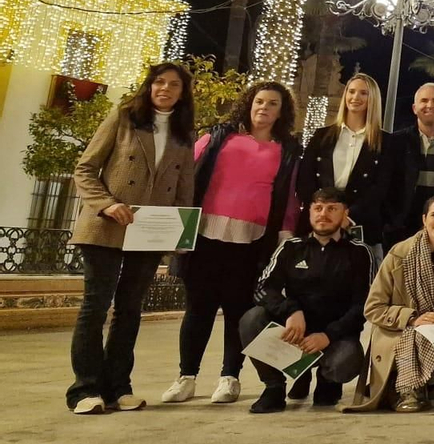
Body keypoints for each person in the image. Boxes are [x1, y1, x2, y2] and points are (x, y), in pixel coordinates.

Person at [66, 63, 197, 415]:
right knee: (95, 307)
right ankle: (85, 389)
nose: (165, 88)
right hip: (105, 227)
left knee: (130, 310)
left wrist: (180, 234)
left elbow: (185, 191)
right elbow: (85, 168)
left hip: (149, 234)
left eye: (173, 85)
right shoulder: (123, 117)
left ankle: (119, 387)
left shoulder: (184, 133)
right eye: (159, 82)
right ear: (149, 86)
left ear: (183, 93)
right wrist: (107, 205)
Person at [160, 82, 298, 407]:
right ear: (249, 104)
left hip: (251, 242)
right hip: (205, 236)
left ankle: (229, 377)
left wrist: (286, 237)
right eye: (259, 101)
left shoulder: (287, 150)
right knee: (198, 309)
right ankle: (186, 377)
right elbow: (184, 176)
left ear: (282, 111)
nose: (264, 108)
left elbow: (290, 198)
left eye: (273, 104)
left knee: (238, 312)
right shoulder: (219, 137)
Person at [240, 188, 369, 412]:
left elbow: (363, 306)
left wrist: (328, 335)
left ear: (345, 213)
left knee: (345, 363)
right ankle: (274, 387)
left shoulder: (359, 253)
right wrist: (290, 311)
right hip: (294, 334)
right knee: (251, 320)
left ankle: (326, 381)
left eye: (332, 209)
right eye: (317, 208)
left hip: (333, 338)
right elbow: (262, 288)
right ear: (309, 212)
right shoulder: (290, 247)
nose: (323, 214)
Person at [348, 195, 434, 412]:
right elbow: (373, 307)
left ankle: (415, 386)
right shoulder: (399, 254)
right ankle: (405, 386)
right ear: (424, 219)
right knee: (414, 341)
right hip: (402, 333)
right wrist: (413, 318)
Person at [298, 73, 393, 245]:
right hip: (318, 223)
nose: (355, 97)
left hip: (360, 226)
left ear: (373, 99)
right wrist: (323, 211)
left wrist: (347, 215)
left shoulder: (386, 142)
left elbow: (381, 188)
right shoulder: (321, 136)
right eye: (351, 91)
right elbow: (305, 179)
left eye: (363, 93)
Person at [386, 83, 434, 249]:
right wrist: (391, 221)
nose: (430, 105)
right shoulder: (395, 142)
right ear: (414, 108)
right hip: (399, 229)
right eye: (424, 100)